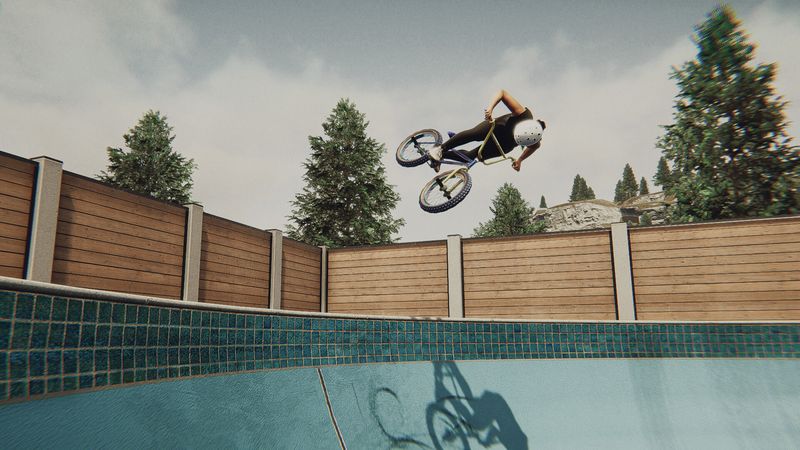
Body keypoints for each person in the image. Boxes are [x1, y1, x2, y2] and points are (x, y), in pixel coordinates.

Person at [428, 89, 545, 172]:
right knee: (475, 134)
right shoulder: (523, 115)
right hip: (499, 127)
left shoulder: (535, 141)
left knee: (471, 157)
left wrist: (520, 160)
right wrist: (490, 109)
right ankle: (440, 149)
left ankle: (442, 156)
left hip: (505, 144)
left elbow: (534, 147)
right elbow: (502, 93)